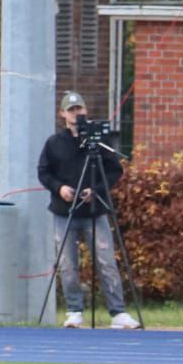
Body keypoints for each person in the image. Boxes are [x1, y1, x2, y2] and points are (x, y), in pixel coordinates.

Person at [39, 92, 135, 329]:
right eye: (71, 110)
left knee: (106, 261)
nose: (76, 114)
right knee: (68, 264)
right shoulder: (54, 143)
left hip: (95, 211)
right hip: (65, 212)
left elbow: (115, 170)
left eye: (79, 109)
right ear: (63, 113)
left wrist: (97, 190)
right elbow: (44, 172)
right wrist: (59, 188)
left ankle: (118, 312)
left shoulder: (97, 141)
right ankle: (74, 311)